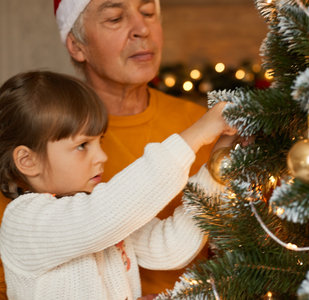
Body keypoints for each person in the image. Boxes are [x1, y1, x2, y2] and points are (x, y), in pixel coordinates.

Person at [0, 0, 223, 298]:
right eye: (82, 146)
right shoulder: (25, 222)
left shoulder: (96, 206)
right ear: (27, 160)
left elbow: (170, 247)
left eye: (148, 12)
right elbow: (105, 213)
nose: (102, 157)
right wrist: (196, 136)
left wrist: (217, 166)